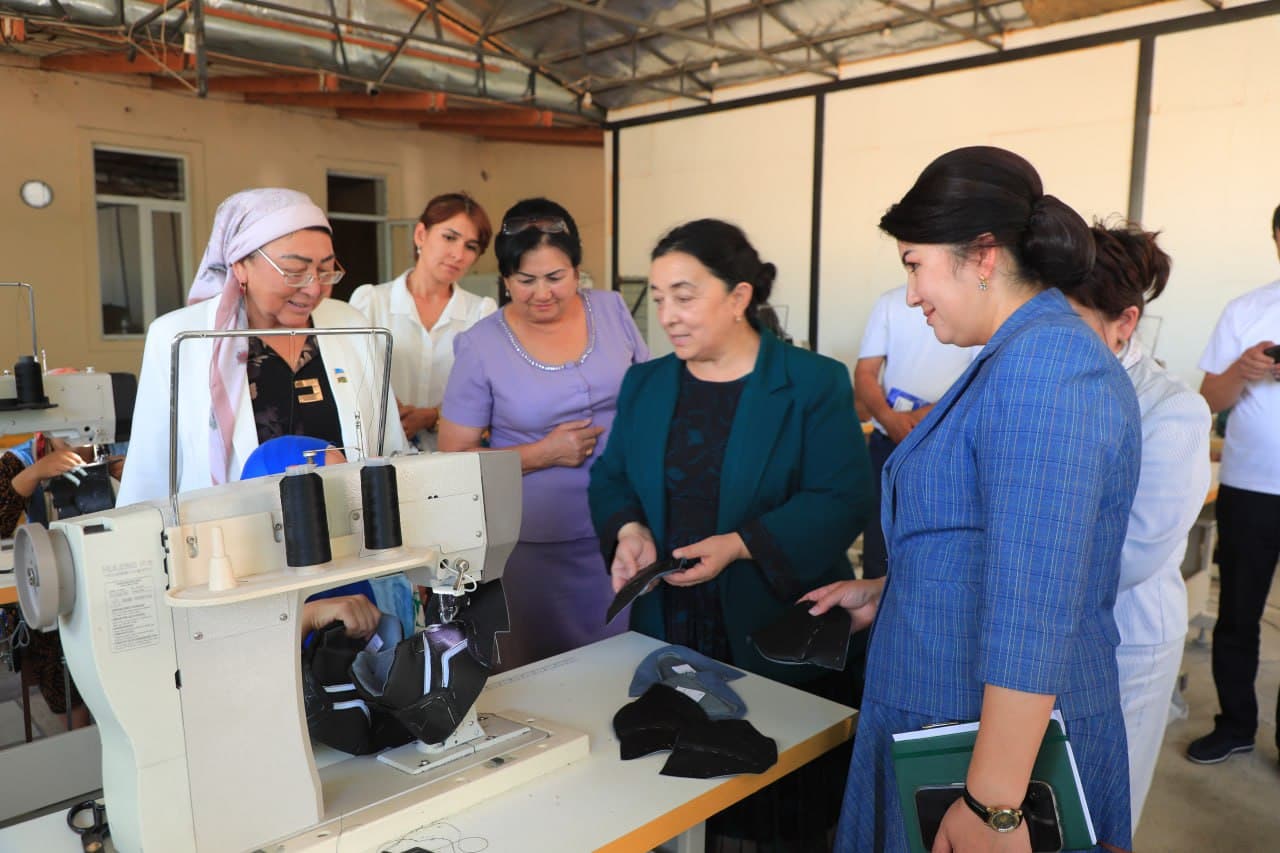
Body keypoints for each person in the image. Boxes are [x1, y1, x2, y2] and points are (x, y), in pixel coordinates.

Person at [804, 146, 1141, 853]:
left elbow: (1035, 603)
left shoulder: (1045, 368)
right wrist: (895, 591)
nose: (912, 294)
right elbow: (996, 541)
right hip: (954, 718)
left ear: (982, 255)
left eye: (914, 264)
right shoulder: (1017, 356)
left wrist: (993, 804)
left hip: (983, 753)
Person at [589, 218, 871, 848]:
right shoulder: (647, 383)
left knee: (775, 814)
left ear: (739, 296)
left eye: (685, 295)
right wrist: (629, 528)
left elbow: (844, 496)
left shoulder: (811, 383)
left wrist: (741, 544)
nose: (668, 314)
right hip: (672, 628)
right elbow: (611, 479)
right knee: (677, 804)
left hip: (774, 625)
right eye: (658, 298)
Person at [438, 198, 648, 670]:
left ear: (577, 270)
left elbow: (653, 395)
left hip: (625, 526)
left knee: (624, 664)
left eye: (556, 278)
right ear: (505, 279)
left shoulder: (612, 310)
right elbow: (454, 454)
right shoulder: (482, 344)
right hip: (536, 541)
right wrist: (543, 453)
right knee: (542, 672)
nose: (542, 294)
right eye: (524, 281)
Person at [118, 187, 406, 506]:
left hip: (351, 529)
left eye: (326, 270)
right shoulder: (182, 338)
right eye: (294, 272)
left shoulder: (351, 324)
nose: (314, 289)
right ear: (241, 264)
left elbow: (390, 445)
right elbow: (151, 470)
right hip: (226, 540)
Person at [1067, 223, 1211, 828]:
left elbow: (1130, 556)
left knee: (1099, 806)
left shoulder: (1171, 411)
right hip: (1043, 629)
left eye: (1069, 324)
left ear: (1125, 321)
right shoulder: (1044, 385)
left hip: (1126, 639)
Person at [1186, 204, 1280, 765]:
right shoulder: (1246, 311)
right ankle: (1234, 724)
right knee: (1239, 614)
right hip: (1250, 485)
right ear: (1275, 238)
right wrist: (1242, 372)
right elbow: (1206, 402)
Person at [349, 193, 497, 451]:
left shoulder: (481, 312)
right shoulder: (371, 302)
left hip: (454, 457)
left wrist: (433, 416)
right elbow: (348, 378)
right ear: (421, 234)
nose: (458, 254)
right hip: (381, 455)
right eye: (449, 237)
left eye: (471, 246)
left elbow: (491, 395)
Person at [855, 284, 976, 580]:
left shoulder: (973, 303)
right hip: (887, 443)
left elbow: (978, 380)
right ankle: (872, 622)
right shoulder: (890, 302)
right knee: (878, 546)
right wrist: (888, 418)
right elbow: (865, 373)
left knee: (935, 551)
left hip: (945, 444)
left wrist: (913, 419)